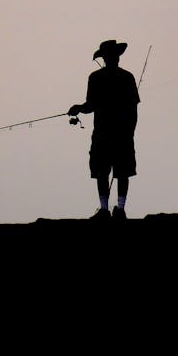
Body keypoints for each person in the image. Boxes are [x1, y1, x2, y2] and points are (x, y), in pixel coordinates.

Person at [68, 40, 140, 221]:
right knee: (120, 172)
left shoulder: (96, 78)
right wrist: (130, 131)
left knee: (103, 171)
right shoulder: (127, 77)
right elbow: (133, 109)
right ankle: (118, 209)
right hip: (121, 133)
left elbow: (90, 106)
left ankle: (106, 210)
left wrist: (78, 108)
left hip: (103, 133)